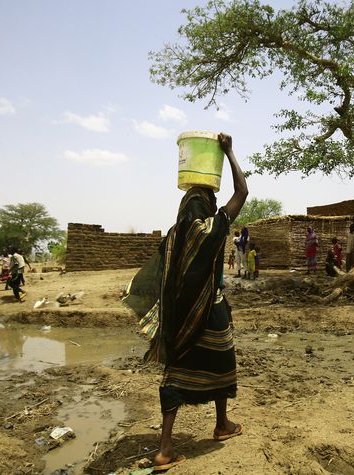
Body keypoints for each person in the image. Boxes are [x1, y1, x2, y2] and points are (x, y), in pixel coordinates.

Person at [123, 132, 247, 471]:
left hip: (181, 314)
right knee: (222, 361)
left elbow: (162, 276)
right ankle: (222, 424)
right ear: (206, 203)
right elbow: (243, 191)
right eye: (208, 196)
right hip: (212, 309)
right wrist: (230, 152)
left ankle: (165, 447)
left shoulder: (176, 232)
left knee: (176, 372)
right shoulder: (213, 225)